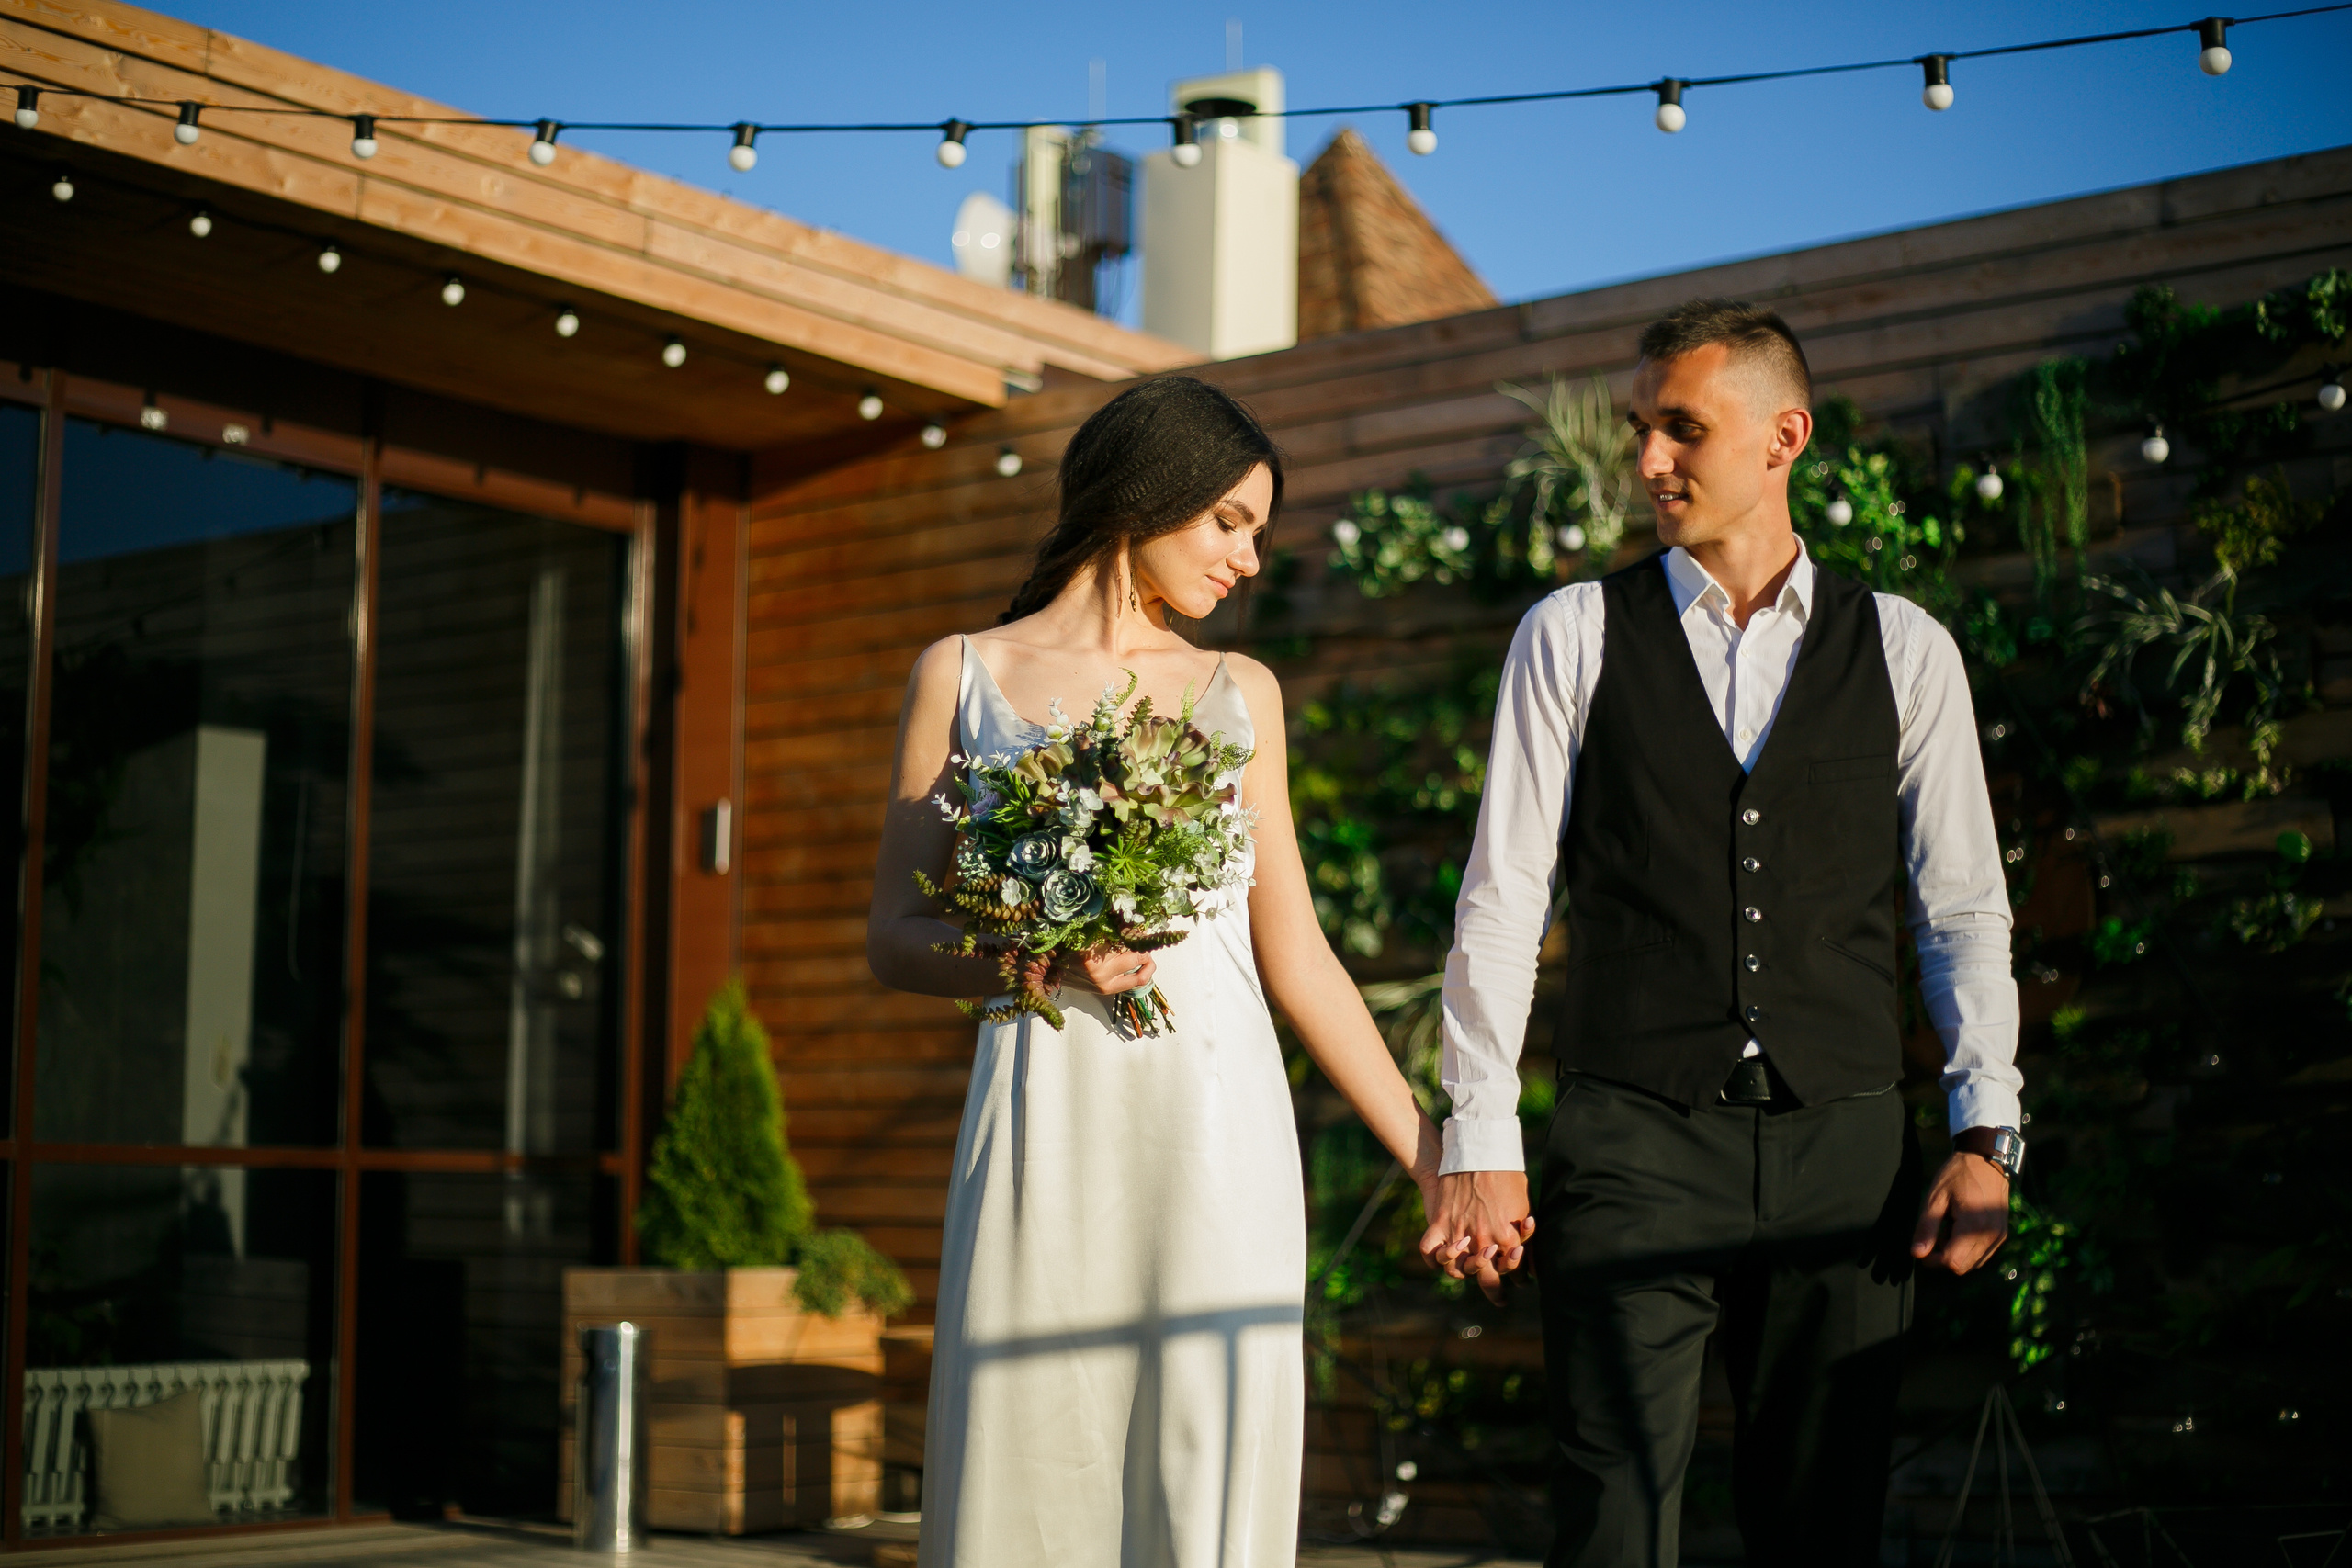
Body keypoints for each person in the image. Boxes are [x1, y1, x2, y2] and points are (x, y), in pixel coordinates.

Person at [1423, 299, 2025, 1567]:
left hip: (1845, 1146)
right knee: (1611, 1521)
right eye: (1643, 429)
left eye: (1681, 428)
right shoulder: (1574, 634)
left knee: (1823, 1525)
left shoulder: (1907, 649)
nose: (1648, 461)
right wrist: (1481, 1136)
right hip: (1632, 1138)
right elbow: (1503, 894)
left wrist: (1987, 1132)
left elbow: (1963, 908)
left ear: (1782, 436)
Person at [869, 374, 1446, 1568]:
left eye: (1259, 533)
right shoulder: (961, 674)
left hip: (1218, 1127)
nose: (1247, 560)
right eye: (1230, 521)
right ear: (1148, 493)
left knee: (1207, 1458)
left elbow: (1300, 961)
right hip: (1043, 1119)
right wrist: (1041, 957)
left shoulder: (1242, 696)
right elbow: (895, 938)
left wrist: (1438, 1155)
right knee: (1032, 1445)